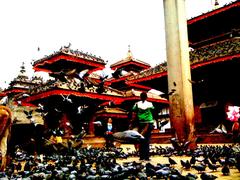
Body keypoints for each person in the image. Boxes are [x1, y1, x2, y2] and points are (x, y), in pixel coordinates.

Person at [131, 92, 155, 161]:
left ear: (140, 97)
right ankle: (147, 157)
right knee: (147, 140)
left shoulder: (137, 104)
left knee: (141, 139)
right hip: (149, 123)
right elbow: (153, 109)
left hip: (141, 123)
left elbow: (133, 110)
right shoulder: (150, 104)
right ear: (146, 97)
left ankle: (141, 157)